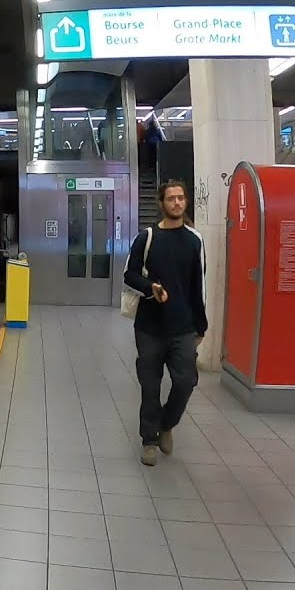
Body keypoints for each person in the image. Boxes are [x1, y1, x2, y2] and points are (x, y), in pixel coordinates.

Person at [123, 180, 207, 466]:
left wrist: (201, 326)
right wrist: (151, 288)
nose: (177, 202)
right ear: (162, 203)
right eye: (171, 198)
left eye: (181, 198)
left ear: (186, 202)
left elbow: (199, 286)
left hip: (183, 327)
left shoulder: (195, 240)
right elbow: (129, 274)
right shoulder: (146, 238)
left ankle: (167, 424)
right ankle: (149, 440)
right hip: (149, 328)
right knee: (150, 386)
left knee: (185, 382)